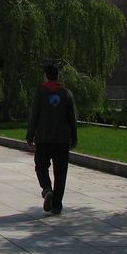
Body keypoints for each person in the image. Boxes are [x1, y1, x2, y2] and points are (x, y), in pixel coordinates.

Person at [26, 64, 77, 215]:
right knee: (60, 173)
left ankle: (47, 189)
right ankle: (57, 205)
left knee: (41, 167)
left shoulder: (40, 91)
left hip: (43, 137)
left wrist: (30, 135)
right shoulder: (66, 93)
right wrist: (73, 138)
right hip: (62, 139)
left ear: (46, 75)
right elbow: (71, 118)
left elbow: (34, 114)